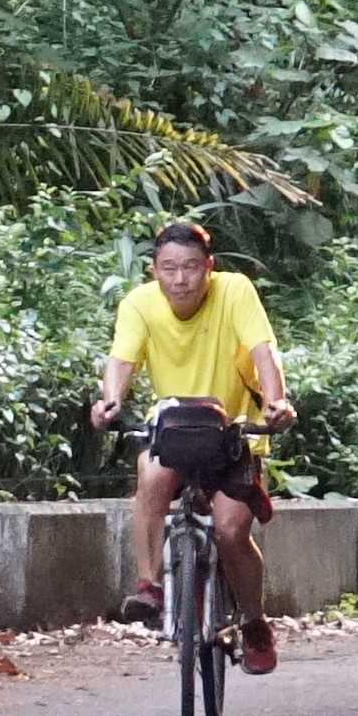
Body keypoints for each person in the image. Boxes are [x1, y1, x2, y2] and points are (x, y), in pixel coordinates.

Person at [91, 218, 288, 674]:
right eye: (169, 268)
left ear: (209, 268)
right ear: (154, 270)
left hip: (234, 433)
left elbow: (264, 351)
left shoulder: (235, 292)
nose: (180, 280)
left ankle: (254, 621)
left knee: (232, 530)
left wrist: (276, 402)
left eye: (191, 268)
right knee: (152, 475)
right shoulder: (139, 304)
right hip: (174, 432)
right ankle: (149, 585)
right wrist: (109, 403)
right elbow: (121, 360)